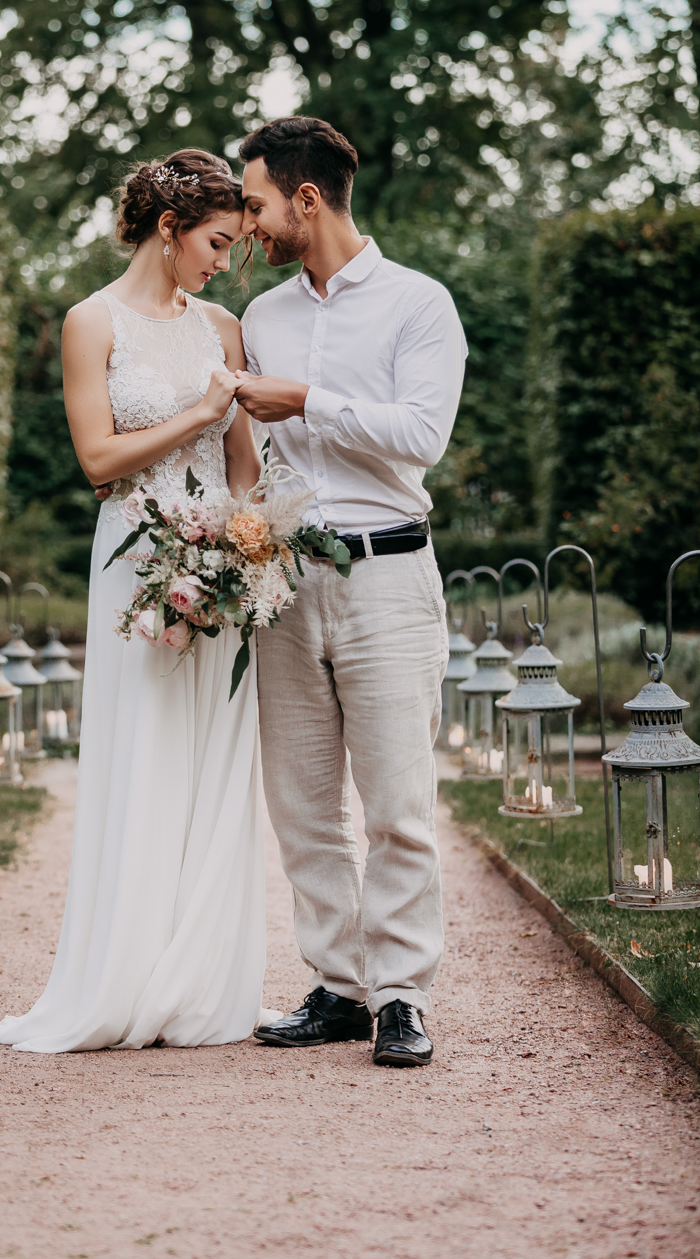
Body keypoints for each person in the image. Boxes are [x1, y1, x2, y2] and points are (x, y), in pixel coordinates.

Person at [0, 150, 268, 1053]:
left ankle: (198, 983)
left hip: (221, 563)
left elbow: (244, 466)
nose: (224, 262)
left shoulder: (224, 325)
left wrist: (248, 548)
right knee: (142, 754)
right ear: (169, 229)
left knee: (214, 762)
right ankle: (122, 978)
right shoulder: (89, 322)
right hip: (133, 559)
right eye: (217, 242)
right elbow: (98, 461)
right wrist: (202, 412)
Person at [235, 116, 467, 1067]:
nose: (246, 225)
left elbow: (422, 437)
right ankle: (340, 987)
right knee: (301, 803)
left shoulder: (420, 304)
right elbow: (264, 461)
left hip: (390, 576)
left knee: (399, 801)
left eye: (254, 204)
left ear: (307, 199)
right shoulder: (262, 318)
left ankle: (404, 992)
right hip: (288, 581)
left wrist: (307, 400)